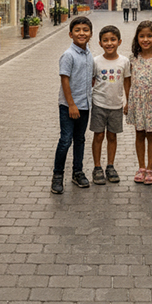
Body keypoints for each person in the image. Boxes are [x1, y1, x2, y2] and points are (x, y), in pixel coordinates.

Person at [52, 16, 94, 194]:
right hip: (69, 106)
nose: (81, 33)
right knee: (65, 140)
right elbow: (65, 81)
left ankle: (77, 172)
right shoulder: (68, 55)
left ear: (91, 34)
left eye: (85, 30)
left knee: (80, 139)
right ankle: (57, 175)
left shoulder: (89, 53)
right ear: (70, 34)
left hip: (85, 105)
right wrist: (71, 105)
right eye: (77, 30)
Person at [127, 20, 152, 185]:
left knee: (151, 134)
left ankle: (150, 168)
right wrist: (127, 102)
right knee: (139, 134)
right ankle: (141, 167)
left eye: (149, 36)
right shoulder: (133, 58)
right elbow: (128, 81)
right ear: (137, 38)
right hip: (137, 102)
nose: (145, 40)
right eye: (142, 36)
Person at [90, 25, 131, 185]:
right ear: (100, 43)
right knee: (99, 135)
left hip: (116, 106)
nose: (109, 43)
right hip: (99, 104)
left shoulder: (124, 61)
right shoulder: (96, 61)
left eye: (113, 40)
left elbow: (127, 82)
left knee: (112, 136)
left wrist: (128, 102)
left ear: (119, 42)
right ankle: (97, 167)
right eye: (105, 40)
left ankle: (110, 166)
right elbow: (92, 81)